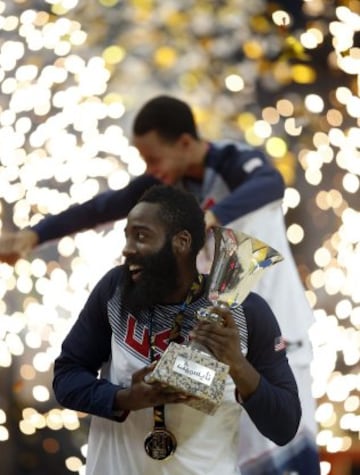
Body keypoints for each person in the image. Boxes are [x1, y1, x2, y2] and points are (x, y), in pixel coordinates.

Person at [0, 95, 320, 474]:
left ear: (185, 143)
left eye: (153, 158)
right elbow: (102, 206)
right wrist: (34, 236)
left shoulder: (236, 163)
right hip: (209, 331)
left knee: (282, 453)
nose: (150, 169)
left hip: (271, 328)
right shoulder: (166, 192)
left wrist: (213, 214)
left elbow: (271, 182)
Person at [52, 185, 301, 475]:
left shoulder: (247, 311)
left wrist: (237, 364)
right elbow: (66, 377)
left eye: (141, 236)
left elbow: (285, 426)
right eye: (127, 236)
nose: (127, 248)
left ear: (181, 242)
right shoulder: (115, 290)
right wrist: (124, 398)